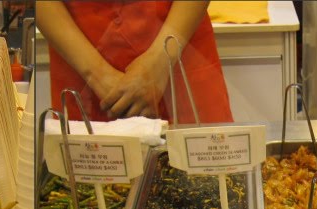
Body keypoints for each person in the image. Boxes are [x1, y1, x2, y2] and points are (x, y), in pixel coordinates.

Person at [36, 0, 232, 124]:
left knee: (203, 172)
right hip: (79, 53)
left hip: (178, 44)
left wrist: (160, 63)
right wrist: (97, 75)